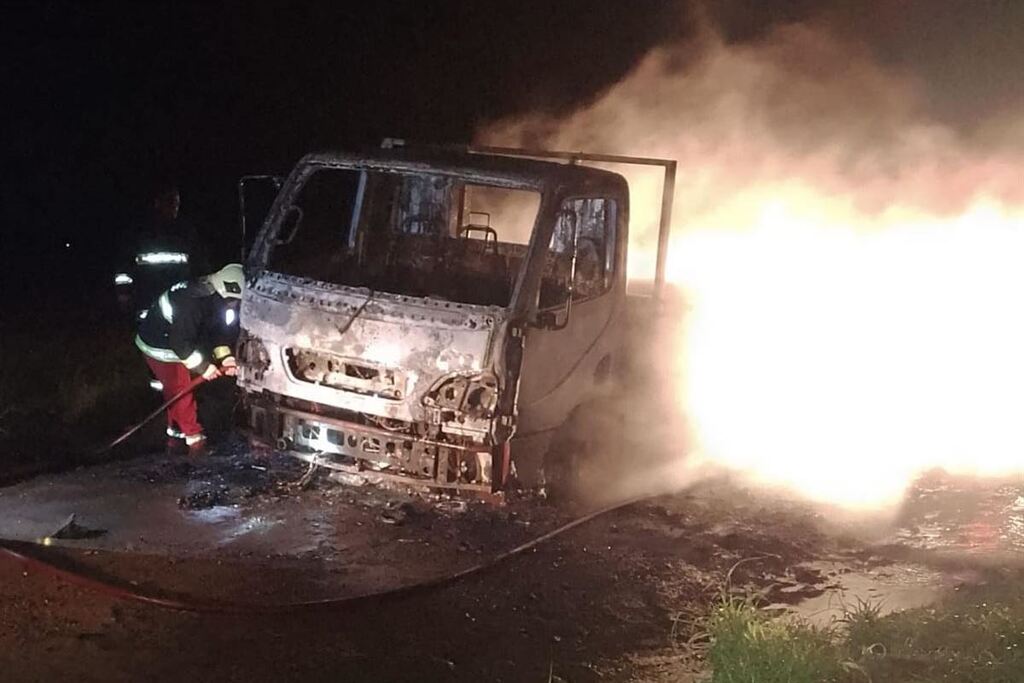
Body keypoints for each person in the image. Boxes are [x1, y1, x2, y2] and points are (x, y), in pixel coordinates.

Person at [135, 263, 244, 456]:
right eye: (232, 301)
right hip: (160, 345)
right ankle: (195, 440)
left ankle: (176, 436)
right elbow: (180, 344)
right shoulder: (191, 301)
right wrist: (204, 367)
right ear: (222, 290)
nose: (233, 306)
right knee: (180, 387)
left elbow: (218, 333)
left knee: (176, 390)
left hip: (178, 340)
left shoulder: (215, 298)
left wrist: (226, 358)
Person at [114, 182, 209, 318]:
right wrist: (124, 294)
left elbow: (200, 265)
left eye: (177, 202)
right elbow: (124, 266)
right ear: (157, 203)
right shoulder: (140, 232)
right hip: (146, 299)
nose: (174, 207)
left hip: (179, 299)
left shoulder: (186, 232)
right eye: (170, 201)